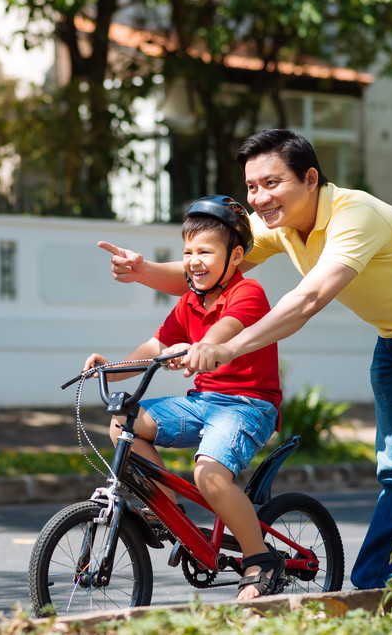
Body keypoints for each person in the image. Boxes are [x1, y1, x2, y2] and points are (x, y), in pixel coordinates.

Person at [99, 129, 392, 589]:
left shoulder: (353, 215)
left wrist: (227, 347)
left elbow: (307, 300)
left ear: (310, 179)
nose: (260, 197)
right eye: (252, 186)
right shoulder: (278, 225)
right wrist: (143, 271)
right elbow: (212, 271)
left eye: (272, 183)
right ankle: (374, 584)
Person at [85, 195, 285, 600]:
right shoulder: (190, 300)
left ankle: (260, 561)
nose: (194, 261)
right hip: (203, 400)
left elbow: (224, 331)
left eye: (206, 251)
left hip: (247, 405)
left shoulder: (248, 293)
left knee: (210, 475)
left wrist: (201, 348)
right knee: (123, 423)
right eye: (188, 252)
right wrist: (111, 369)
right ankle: (167, 511)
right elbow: (157, 344)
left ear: (236, 257)